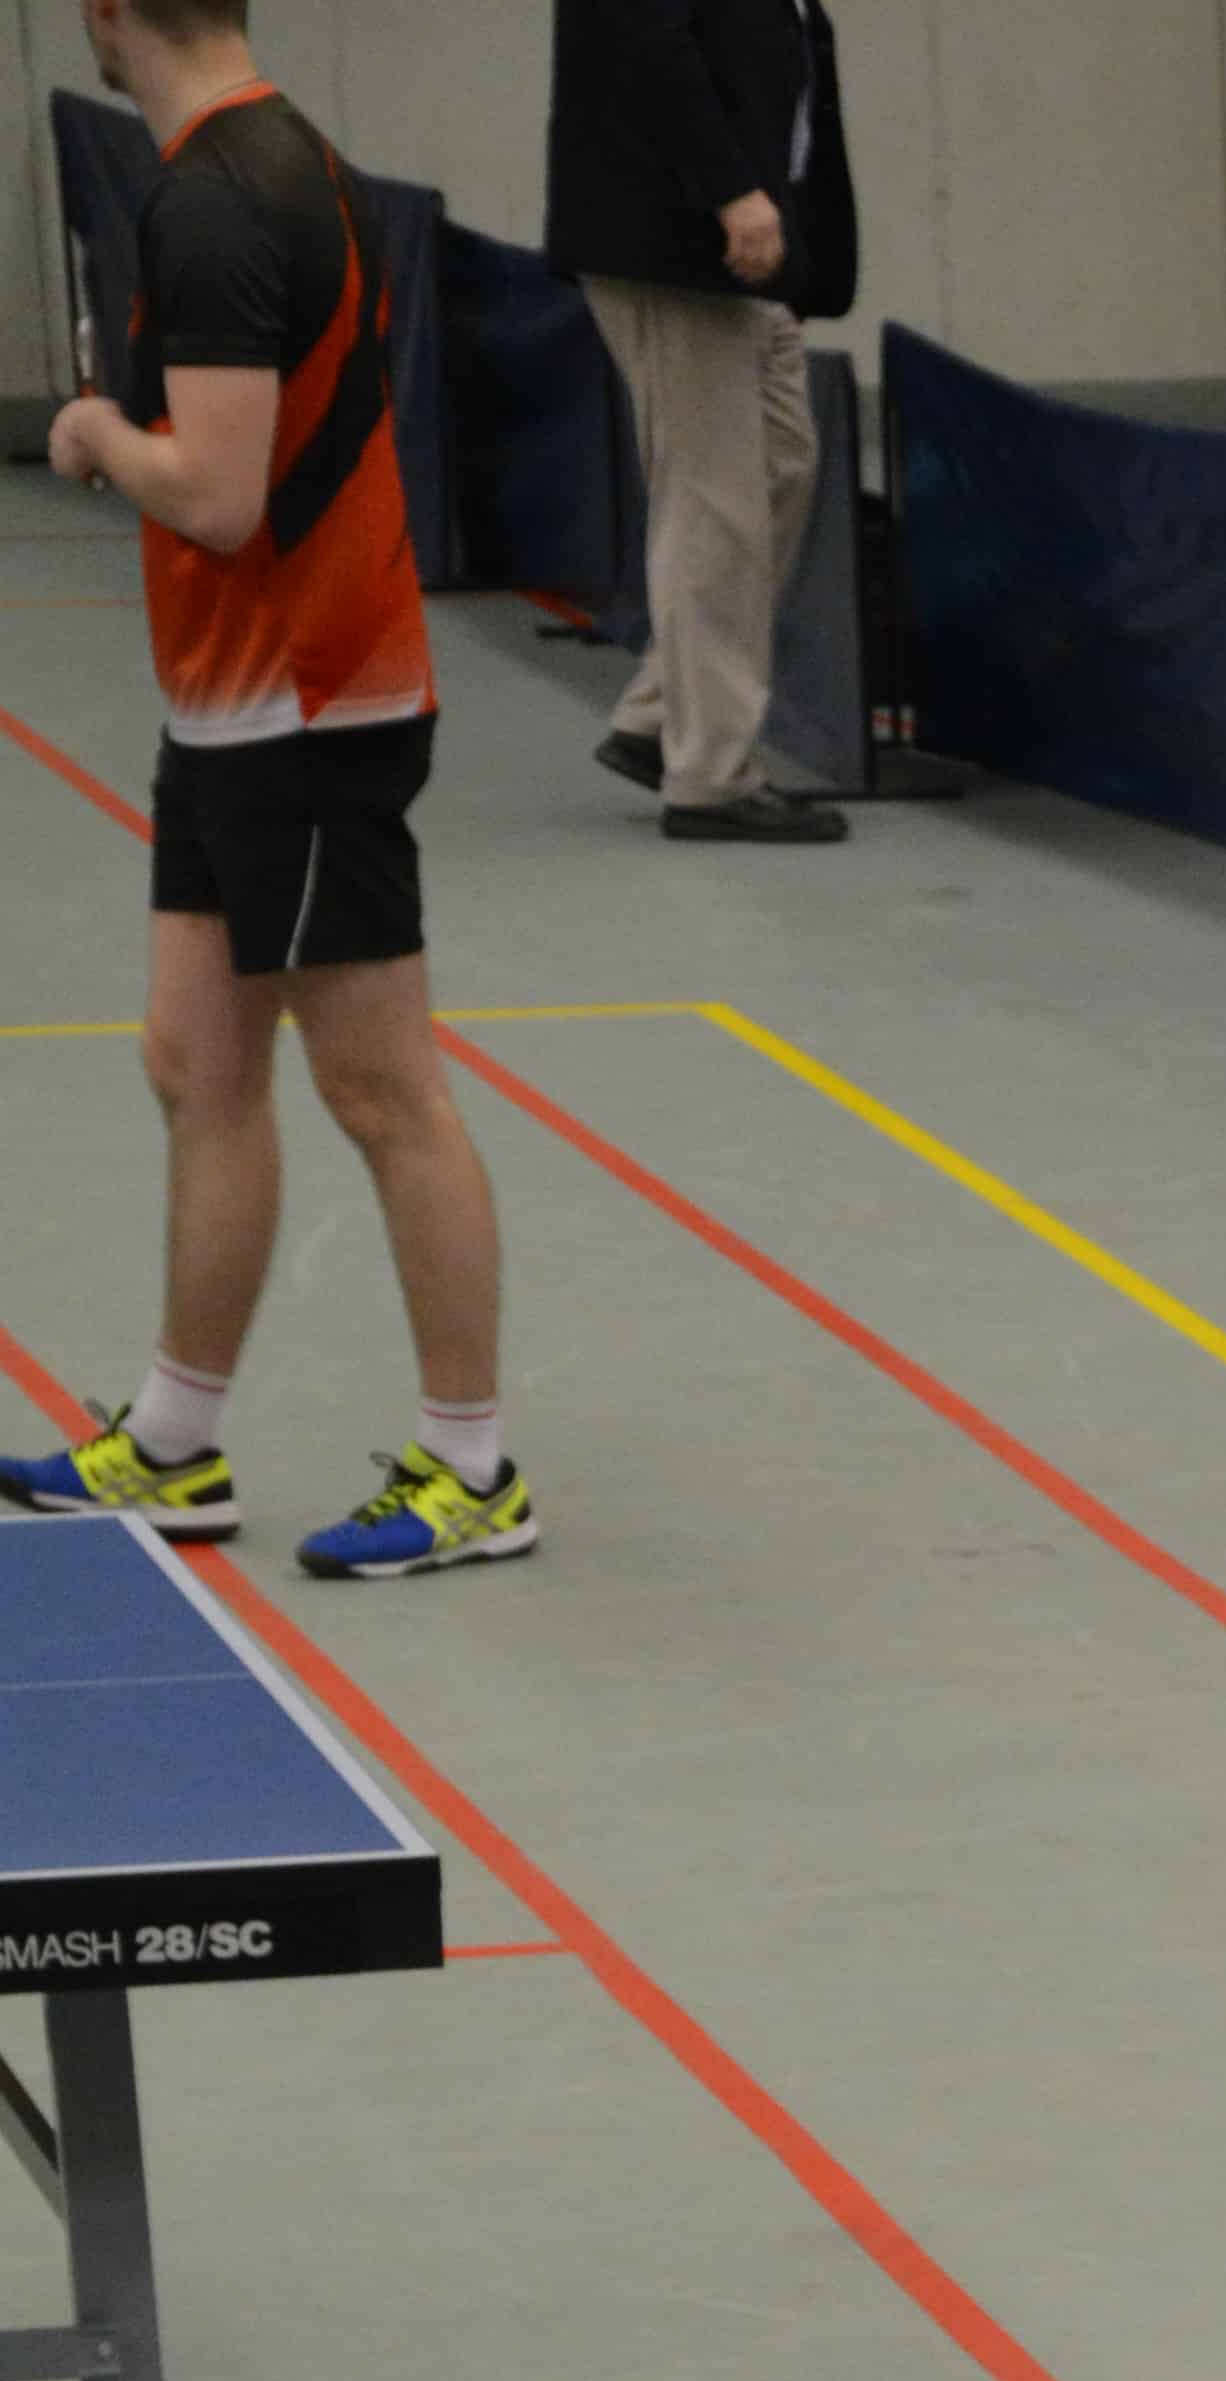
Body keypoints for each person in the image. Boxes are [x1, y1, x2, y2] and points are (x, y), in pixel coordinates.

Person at [4, 0, 529, 1582]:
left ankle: (473, 1470)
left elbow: (220, 496)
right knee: (197, 1060)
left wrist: (96, 430)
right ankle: (175, 1444)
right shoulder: (267, 160)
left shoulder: (225, 200)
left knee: (383, 1093)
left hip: (306, 707)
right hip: (234, 710)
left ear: (110, 12)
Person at [545, 0, 856, 843]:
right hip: (677, 240)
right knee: (713, 503)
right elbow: (642, 38)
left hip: (732, 250)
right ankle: (711, 780)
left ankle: (659, 716)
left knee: (779, 466)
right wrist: (730, 190)